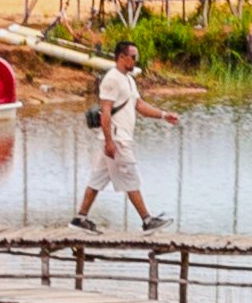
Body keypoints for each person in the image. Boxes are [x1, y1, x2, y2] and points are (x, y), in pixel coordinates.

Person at [71, 41, 177, 233]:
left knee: (96, 180)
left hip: (116, 139)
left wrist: (163, 115)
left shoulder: (128, 79)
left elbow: (139, 105)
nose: (136, 60)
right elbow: (105, 112)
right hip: (117, 139)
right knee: (131, 178)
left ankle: (80, 219)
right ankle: (147, 221)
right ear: (122, 57)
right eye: (133, 57)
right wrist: (110, 142)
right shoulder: (112, 79)